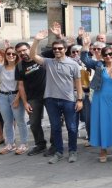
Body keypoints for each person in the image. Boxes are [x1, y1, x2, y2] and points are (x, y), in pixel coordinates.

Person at [31, 30, 83, 164]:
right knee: (55, 128)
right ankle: (59, 152)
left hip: (69, 100)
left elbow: (78, 84)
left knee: (72, 127)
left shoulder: (73, 64)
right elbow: (32, 56)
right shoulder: (48, 62)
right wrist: (36, 40)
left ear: (65, 49)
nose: (57, 51)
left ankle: (72, 151)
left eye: (60, 48)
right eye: (54, 49)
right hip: (51, 100)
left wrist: (80, 99)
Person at [82, 40, 112, 163]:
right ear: (102, 56)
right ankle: (103, 150)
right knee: (102, 123)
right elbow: (85, 60)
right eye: (105, 54)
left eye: (110, 54)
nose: (108, 56)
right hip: (100, 99)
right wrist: (86, 46)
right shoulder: (99, 65)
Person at [14, 42, 49, 156]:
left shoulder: (42, 58)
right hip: (33, 98)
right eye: (19, 52)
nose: (22, 53)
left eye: (24, 50)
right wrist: (25, 103)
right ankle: (40, 145)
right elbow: (20, 86)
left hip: (49, 95)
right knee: (34, 123)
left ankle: (55, 145)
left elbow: (60, 49)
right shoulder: (19, 66)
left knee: (55, 121)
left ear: (30, 49)